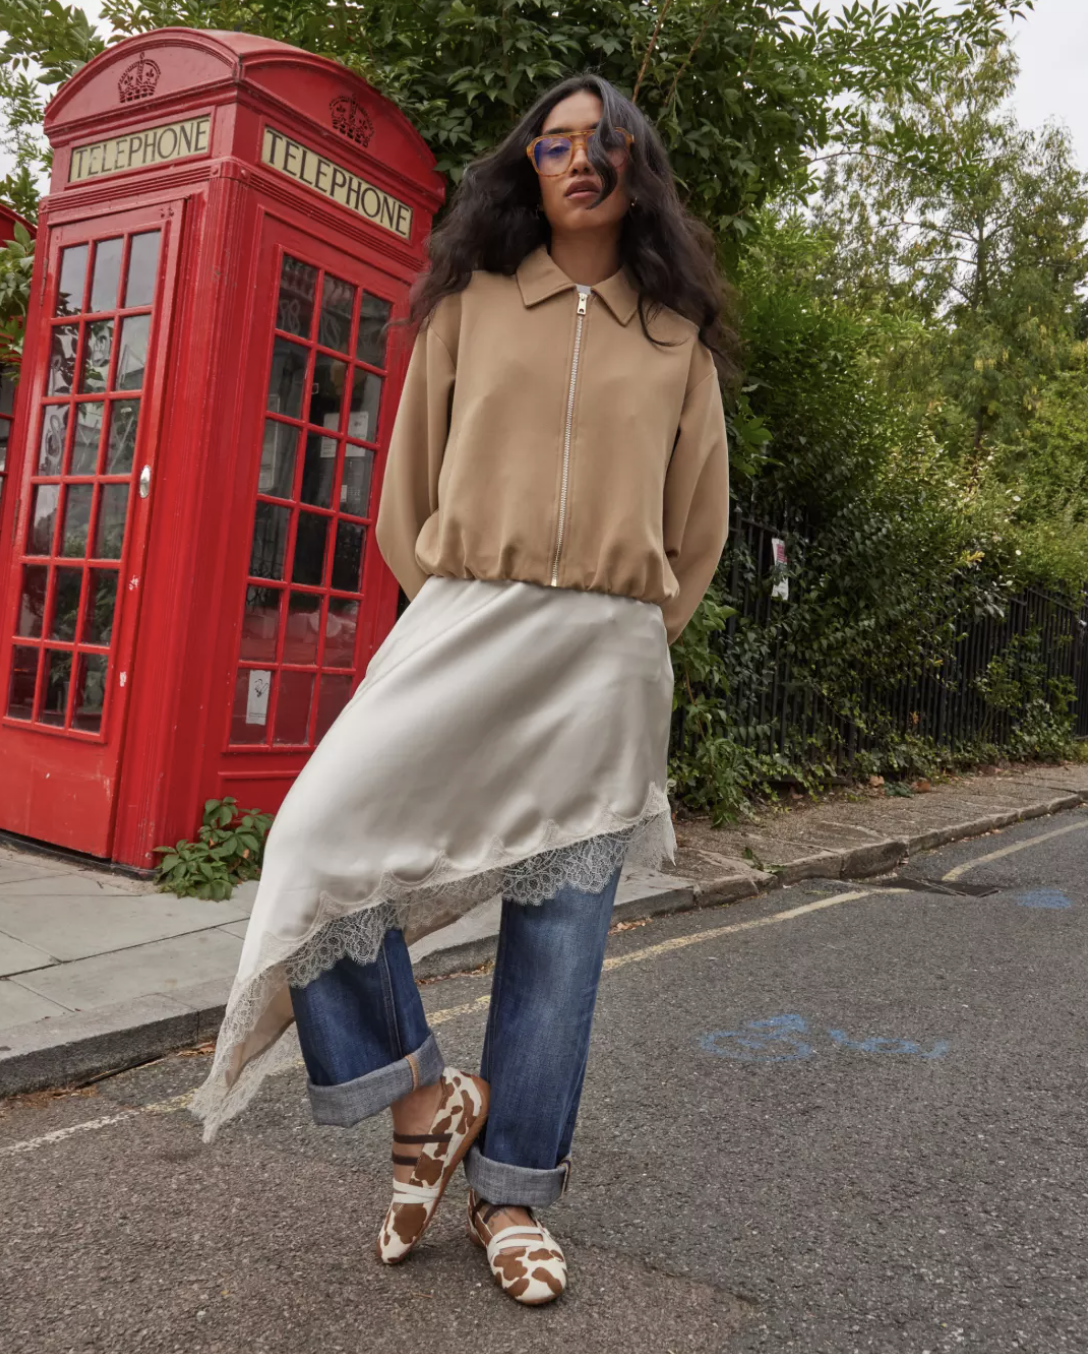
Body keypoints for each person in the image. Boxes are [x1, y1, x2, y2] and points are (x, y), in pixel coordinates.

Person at [192, 72, 733, 1307]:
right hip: (465, 620)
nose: (580, 160)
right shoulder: (471, 304)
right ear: (527, 166)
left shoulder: (675, 339)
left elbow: (694, 535)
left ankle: (513, 1197)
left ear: (638, 166)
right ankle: (427, 1103)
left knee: (559, 940)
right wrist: (459, 605)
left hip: (602, 655)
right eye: (556, 144)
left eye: (606, 144)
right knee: (316, 842)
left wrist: (625, 637)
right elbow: (405, 497)